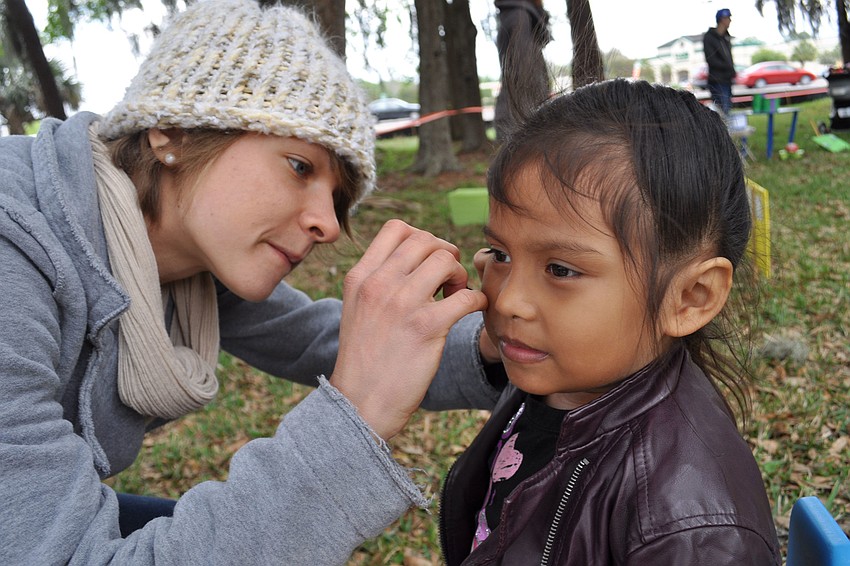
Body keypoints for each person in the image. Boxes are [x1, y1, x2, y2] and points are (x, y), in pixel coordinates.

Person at [0, 0, 505, 563]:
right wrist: (354, 418)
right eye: (299, 166)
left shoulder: (187, 263)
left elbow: (320, 339)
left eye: (337, 196)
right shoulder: (14, 251)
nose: (330, 224)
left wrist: (492, 350)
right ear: (172, 133)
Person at [438, 79, 782, 565]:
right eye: (500, 253)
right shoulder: (556, 376)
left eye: (560, 269)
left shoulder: (688, 534)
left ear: (690, 297)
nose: (509, 300)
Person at [493, 0, 552, 140]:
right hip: (521, 120)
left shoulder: (522, 16)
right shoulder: (519, 17)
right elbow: (523, 73)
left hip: (523, 116)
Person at [704, 8, 736, 114]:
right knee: (721, 111)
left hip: (727, 79)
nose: (730, 21)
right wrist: (728, 67)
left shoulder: (725, 37)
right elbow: (711, 60)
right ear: (721, 19)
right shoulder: (710, 37)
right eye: (728, 18)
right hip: (717, 81)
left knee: (727, 109)